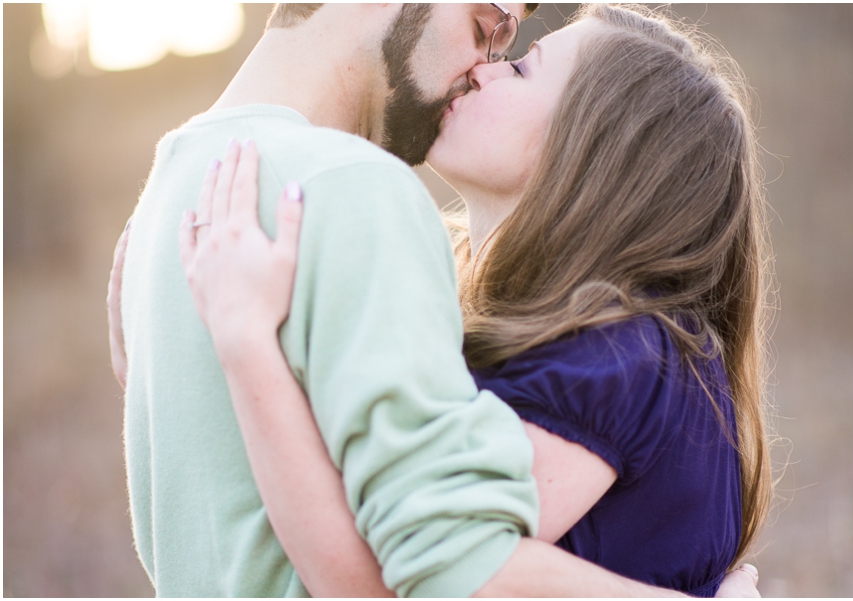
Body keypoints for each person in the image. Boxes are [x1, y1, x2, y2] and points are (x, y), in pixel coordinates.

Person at [111, 2, 762, 598]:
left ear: (595, 154)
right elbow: (429, 569)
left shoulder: (167, 210)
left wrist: (245, 348)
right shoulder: (350, 194)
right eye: (501, 39)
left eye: (523, 67)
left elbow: (433, 566)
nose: (493, 58)